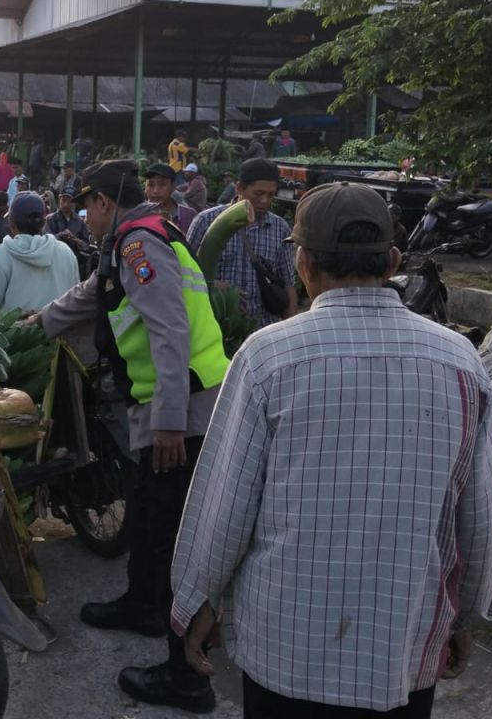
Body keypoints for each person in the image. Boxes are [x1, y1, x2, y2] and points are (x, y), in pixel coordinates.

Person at [171, 182, 492, 718]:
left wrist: (195, 604)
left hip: (285, 650)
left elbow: (224, 507)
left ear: (303, 263)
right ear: (392, 261)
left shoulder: (268, 357)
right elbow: (478, 520)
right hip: (402, 643)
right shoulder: (461, 361)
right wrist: (464, 620)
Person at [32, 160, 229, 713]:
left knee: (168, 531)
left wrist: (168, 421)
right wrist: (37, 323)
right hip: (172, 405)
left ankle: (185, 676)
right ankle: (143, 604)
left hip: (183, 411)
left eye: (83, 204)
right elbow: (97, 293)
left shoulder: (140, 244)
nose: (80, 216)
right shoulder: (133, 241)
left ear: (102, 202)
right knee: (145, 511)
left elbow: (169, 329)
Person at [187, 159, 298, 329]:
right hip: (215, 329)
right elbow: (184, 273)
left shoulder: (280, 228)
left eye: (270, 195)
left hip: (263, 330)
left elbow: (288, 283)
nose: (264, 201)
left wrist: (291, 331)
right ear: (239, 188)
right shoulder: (206, 221)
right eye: (258, 193)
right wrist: (216, 286)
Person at [0, 192, 80, 312]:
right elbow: (76, 301)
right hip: (61, 329)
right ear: (44, 223)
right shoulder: (66, 253)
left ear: (11, 224)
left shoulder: (1, 255)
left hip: (15, 330)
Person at [144, 163, 196, 234]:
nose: (155, 190)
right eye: (150, 184)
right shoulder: (138, 215)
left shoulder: (189, 215)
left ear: (173, 187)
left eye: (162, 184)